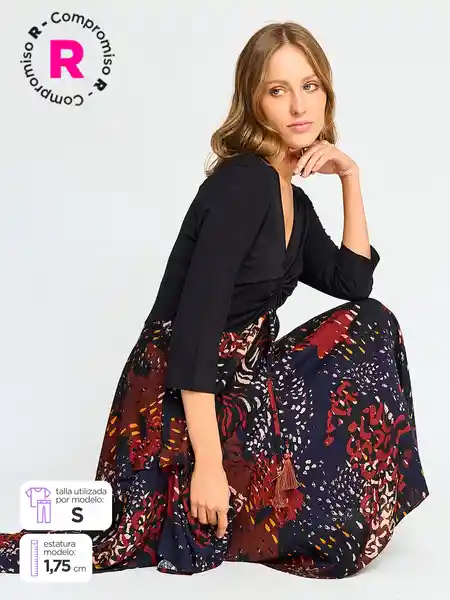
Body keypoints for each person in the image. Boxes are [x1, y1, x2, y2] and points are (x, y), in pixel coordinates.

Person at [0, 20, 429, 579]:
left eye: (310, 86)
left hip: (238, 387)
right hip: (176, 402)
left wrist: (350, 176)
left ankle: (287, 500)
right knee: (144, 532)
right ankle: (165, 493)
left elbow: (353, 283)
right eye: (277, 90)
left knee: (370, 323)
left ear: (327, 93)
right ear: (254, 103)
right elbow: (194, 332)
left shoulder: (292, 201)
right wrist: (207, 465)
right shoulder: (243, 184)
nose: (299, 105)